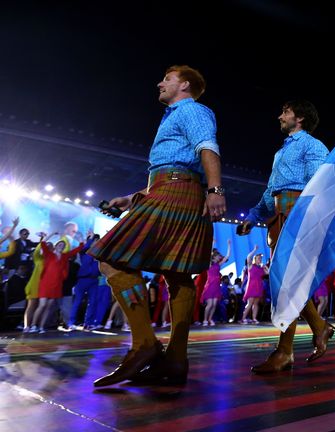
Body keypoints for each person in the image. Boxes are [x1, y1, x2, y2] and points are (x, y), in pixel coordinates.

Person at [87, 65, 226, 387]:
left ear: (185, 84)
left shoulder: (192, 110)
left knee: (111, 259)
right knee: (177, 274)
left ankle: (145, 345)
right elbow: (174, 166)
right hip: (169, 188)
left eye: (167, 78)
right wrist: (131, 197)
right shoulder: (175, 115)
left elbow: (208, 148)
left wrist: (216, 189)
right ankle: (175, 361)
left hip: (177, 190)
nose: (159, 82)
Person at [238, 99, 335, 374]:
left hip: (299, 215)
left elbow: (319, 185)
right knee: (285, 282)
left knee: (287, 282)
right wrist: (253, 218)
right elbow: (271, 192)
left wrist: (306, 221)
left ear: (300, 119)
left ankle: (285, 351)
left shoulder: (313, 145)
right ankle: (317, 328)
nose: (280, 116)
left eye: (286, 112)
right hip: (279, 217)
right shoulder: (281, 152)